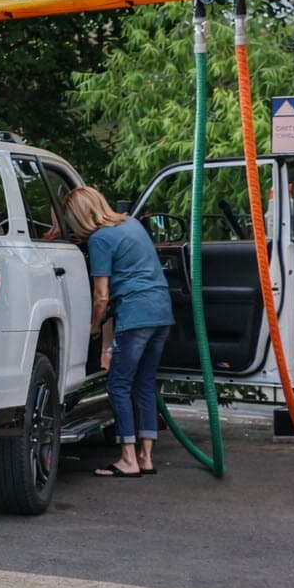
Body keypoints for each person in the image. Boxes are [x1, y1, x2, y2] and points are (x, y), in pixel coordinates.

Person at [60, 186, 175, 478]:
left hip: (136, 315)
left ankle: (127, 459)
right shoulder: (131, 224)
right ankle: (146, 458)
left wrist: (95, 326)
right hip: (162, 311)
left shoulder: (99, 239)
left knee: (118, 386)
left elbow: (102, 296)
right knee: (145, 384)